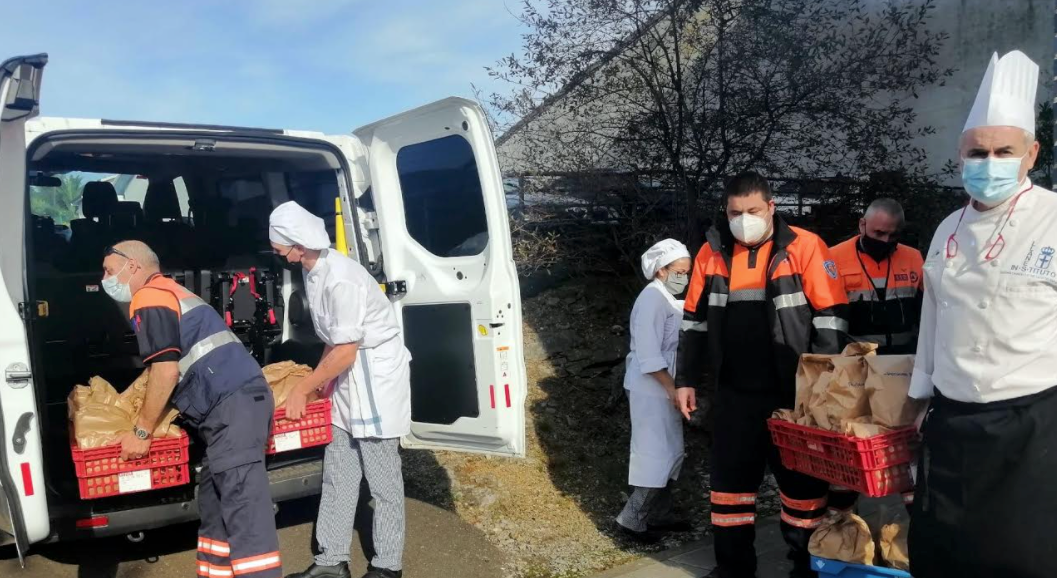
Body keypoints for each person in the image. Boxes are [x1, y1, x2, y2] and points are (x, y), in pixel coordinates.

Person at [909, 50, 1057, 578]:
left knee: (1023, 560)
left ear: (1031, 154)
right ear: (960, 153)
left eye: (1003, 151)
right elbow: (933, 321)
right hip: (950, 421)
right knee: (940, 554)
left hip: (1031, 425)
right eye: (978, 152)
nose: (989, 162)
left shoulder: (1053, 220)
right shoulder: (947, 228)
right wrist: (916, 403)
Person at [676, 172, 850, 578]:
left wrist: (821, 386)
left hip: (793, 394)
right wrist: (685, 379)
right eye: (735, 212)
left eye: (753, 211)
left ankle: (807, 568)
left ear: (771, 207)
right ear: (725, 211)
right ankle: (733, 569)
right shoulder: (711, 252)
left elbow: (832, 318)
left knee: (803, 491)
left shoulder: (804, 247)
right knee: (729, 490)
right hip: (734, 394)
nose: (744, 219)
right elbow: (693, 322)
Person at [105, 240, 281, 578]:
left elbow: (166, 371)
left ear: (133, 267)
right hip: (230, 408)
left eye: (109, 271)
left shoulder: (149, 296)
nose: (105, 279)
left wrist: (142, 430)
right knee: (215, 506)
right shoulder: (172, 291)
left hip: (232, 408)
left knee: (246, 519)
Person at [269, 202, 411, 578]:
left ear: (298, 244)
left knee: (382, 480)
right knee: (339, 470)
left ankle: (387, 565)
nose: (277, 253)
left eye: (279, 247)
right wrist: (321, 381)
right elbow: (333, 343)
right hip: (347, 377)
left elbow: (347, 348)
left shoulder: (341, 277)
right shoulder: (313, 271)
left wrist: (303, 388)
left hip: (374, 379)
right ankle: (332, 561)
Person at [826, 198, 923, 514]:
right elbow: (828, 320)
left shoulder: (913, 258)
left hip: (903, 369)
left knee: (908, 449)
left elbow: (926, 314)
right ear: (862, 225)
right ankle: (843, 525)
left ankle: (917, 526)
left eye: (892, 235)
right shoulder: (834, 259)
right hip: (857, 370)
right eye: (879, 233)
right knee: (851, 448)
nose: (885, 241)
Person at [614, 239, 694, 542]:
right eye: (679, 272)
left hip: (664, 386)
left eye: (687, 272)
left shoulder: (665, 298)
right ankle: (631, 519)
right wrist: (672, 388)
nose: (683, 278)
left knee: (672, 451)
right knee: (655, 454)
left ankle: (659, 513)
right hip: (652, 388)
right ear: (661, 270)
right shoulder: (651, 299)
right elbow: (649, 354)